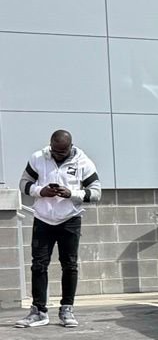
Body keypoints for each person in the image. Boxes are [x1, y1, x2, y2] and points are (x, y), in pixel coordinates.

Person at [15, 130, 101, 329]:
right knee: (38, 265)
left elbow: (96, 192)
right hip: (43, 219)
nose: (57, 155)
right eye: (55, 150)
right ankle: (38, 311)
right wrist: (40, 191)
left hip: (70, 219)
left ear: (70, 147)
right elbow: (23, 184)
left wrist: (72, 193)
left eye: (62, 152)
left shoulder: (83, 162)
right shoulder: (38, 158)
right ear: (50, 145)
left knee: (69, 265)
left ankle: (67, 309)